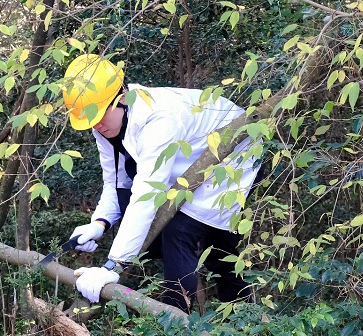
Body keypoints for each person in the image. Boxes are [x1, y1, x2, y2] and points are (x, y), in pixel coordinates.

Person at [62, 54, 261, 313]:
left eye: (100, 115)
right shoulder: (103, 125)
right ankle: (235, 319)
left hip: (235, 157)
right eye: (90, 119)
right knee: (183, 235)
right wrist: (99, 223)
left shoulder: (159, 118)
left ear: (121, 96)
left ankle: (179, 330)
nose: (96, 125)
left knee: (184, 235)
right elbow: (116, 181)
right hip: (186, 166)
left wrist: (113, 265)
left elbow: (147, 192)